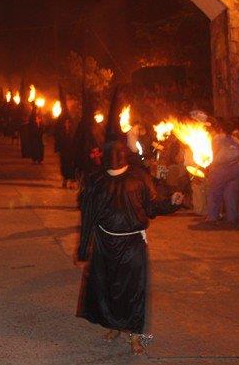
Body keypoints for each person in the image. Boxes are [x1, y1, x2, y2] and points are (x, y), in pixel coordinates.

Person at [76, 140, 184, 355]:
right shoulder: (96, 180)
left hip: (132, 244)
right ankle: (114, 326)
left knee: (133, 290)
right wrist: (83, 247)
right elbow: (87, 216)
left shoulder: (139, 178)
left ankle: (135, 336)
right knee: (108, 287)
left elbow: (152, 207)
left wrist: (172, 202)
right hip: (105, 243)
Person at [206, 120, 239, 226]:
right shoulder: (236, 141)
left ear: (221, 128)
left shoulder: (217, 139)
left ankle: (213, 217)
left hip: (220, 169)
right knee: (231, 194)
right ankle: (232, 218)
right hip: (236, 169)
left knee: (214, 194)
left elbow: (213, 152)